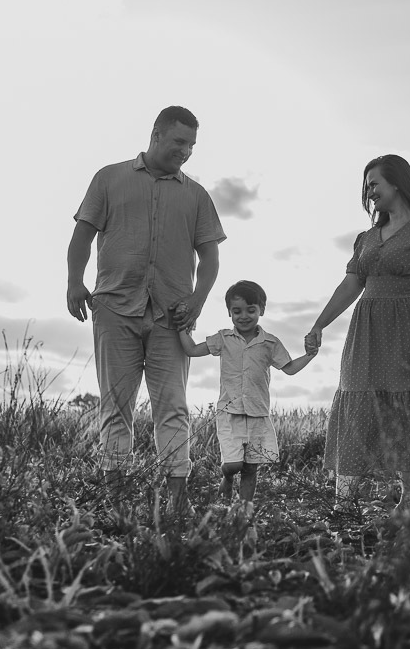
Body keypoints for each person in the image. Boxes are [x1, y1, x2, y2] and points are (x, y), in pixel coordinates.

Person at [66, 106, 226, 509]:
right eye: (179, 142)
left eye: (191, 145)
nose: (186, 151)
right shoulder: (109, 178)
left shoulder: (196, 195)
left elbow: (209, 258)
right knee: (115, 405)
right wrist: (74, 281)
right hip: (114, 308)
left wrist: (196, 301)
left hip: (172, 316)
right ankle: (115, 497)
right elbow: (82, 236)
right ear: (155, 135)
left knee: (172, 405)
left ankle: (176, 500)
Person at [305, 154, 410, 505]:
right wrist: (319, 324)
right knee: (357, 399)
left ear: (397, 183)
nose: (369, 191)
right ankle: (343, 501)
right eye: (366, 185)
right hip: (366, 333)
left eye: (374, 183)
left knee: (409, 408)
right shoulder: (366, 238)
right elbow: (350, 286)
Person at [179, 280, 318, 505]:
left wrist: (310, 355)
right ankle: (226, 477)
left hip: (258, 412)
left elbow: (290, 369)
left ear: (261, 310)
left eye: (250, 310)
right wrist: (181, 329)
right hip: (230, 411)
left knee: (251, 467)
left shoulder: (270, 343)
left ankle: (245, 509)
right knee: (233, 464)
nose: (244, 316)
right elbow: (192, 350)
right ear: (229, 313)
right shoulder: (223, 338)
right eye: (237, 311)